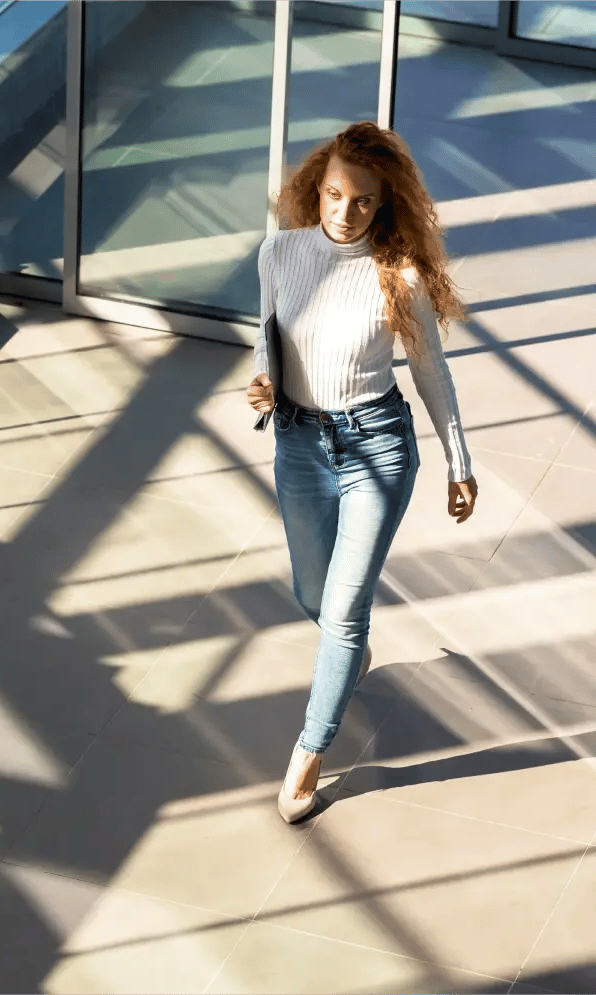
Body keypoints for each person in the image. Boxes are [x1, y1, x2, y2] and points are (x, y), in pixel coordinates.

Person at [245, 121, 479, 824]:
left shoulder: (397, 276)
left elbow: (432, 374)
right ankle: (353, 650)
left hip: (377, 447)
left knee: (342, 613)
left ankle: (308, 756)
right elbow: (269, 342)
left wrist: (458, 461)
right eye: (335, 195)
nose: (344, 213)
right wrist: (264, 383)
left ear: (385, 205)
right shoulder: (279, 253)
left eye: (363, 202)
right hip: (299, 446)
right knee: (314, 594)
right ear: (318, 187)